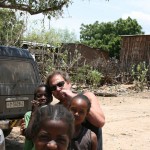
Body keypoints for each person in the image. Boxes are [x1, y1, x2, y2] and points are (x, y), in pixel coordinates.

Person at [46, 70, 105, 150]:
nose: (58, 89)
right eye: (53, 88)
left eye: (60, 84)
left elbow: (100, 122)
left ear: (69, 83)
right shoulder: (56, 110)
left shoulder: (88, 97)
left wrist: (75, 98)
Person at [20, 84, 53, 150]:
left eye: (46, 95)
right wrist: (34, 113)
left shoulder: (54, 113)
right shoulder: (29, 115)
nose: (43, 98)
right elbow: (29, 136)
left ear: (51, 98)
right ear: (34, 98)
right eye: (39, 96)